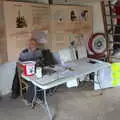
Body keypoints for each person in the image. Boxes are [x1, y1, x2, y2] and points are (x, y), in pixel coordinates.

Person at [11, 38, 43, 104]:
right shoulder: (24, 53)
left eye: (34, 44)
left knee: (43, 77)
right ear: (29, 45)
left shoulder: (39, 51)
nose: (33, 46)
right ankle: (30, 98)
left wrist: (40, 63)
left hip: (35, 70)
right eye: (31, 44)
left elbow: (41, 61)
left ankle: (39, 95)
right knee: (34, 81)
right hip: (26, 71)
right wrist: (25, 68)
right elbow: (19, 64)